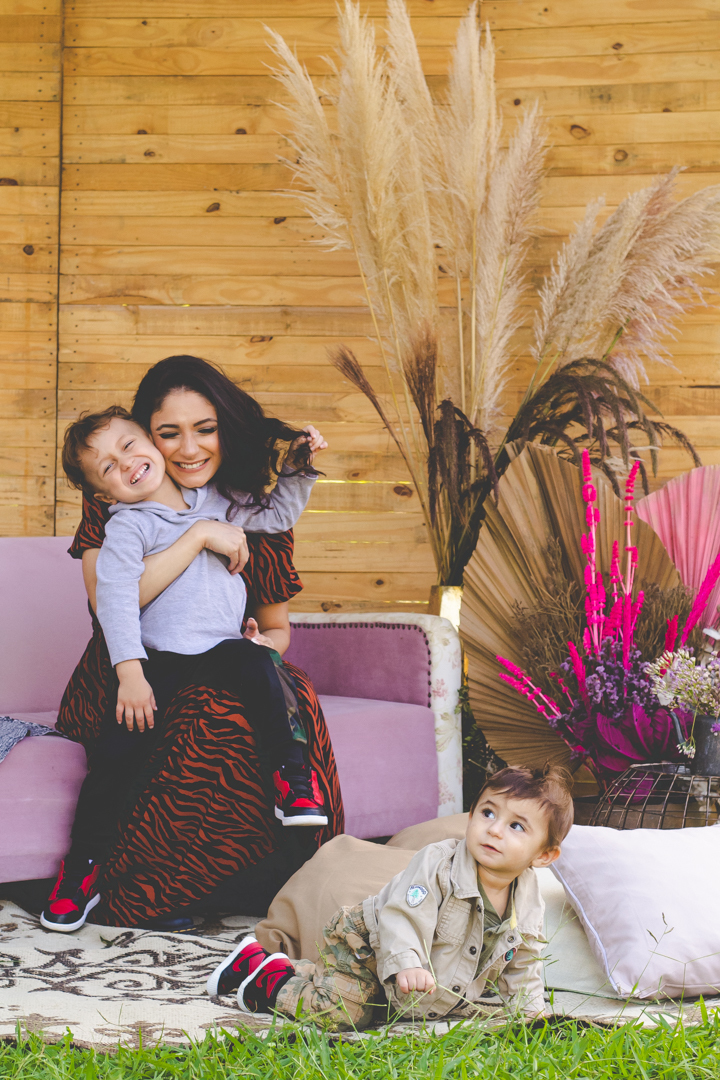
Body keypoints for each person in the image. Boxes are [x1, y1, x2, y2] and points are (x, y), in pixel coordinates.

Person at [52, 356, 344, 930]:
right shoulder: (125, 522)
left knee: (263, 669)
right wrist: (131, 673)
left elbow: (279, 514)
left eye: (203, 429)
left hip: (218, 652)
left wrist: (299, 468)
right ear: (100, 489)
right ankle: (83, 870)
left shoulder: (226, 499)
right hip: (150, 660)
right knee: (115, 760)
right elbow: (112, 600)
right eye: (108, 467)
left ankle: (293, 790)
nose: (129, 465)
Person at [207, 766, 574, 1029]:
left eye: (515, 826)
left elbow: (525, 958)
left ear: (543, 856)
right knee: (344, 1014)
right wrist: (408, 962)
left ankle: (286, 966)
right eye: (488, 812)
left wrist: (530, 1014)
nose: (494, 829)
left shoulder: (527, 900)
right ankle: (268, 981)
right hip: (367, 946)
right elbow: (400, 915)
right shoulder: (437, 865)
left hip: (410, 984)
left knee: (386, 1010)